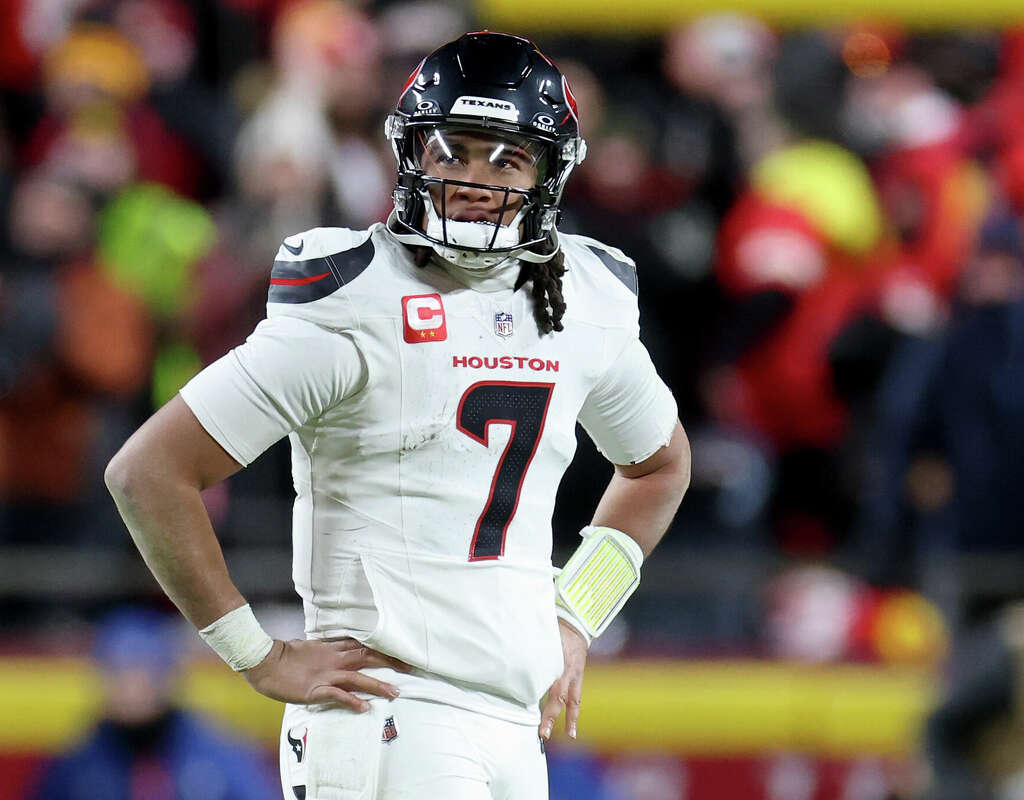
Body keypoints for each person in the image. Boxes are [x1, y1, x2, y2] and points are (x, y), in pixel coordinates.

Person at [106, 31, 691, 800]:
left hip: (514, 720)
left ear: (550, 171)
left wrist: (578, 611)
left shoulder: (582, 296)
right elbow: (148, 471)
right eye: (454, 151)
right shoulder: (355, 298)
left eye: (507, 158)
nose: (477, 180)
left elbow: (658, 464)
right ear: (413, 154)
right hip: (390, 713)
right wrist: (257, 654)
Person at [29, 607, 277, 800]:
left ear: (167, 677)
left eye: (141, 672)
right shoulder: (77, 765)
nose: (131, 690)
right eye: (119, 674)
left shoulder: (219, 756)